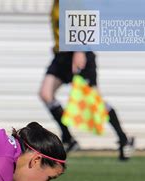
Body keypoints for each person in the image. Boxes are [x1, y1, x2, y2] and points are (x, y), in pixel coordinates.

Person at [39, 0, 134, 160]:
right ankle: (69, 139)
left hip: (78, 53)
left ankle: (125, 140)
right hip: (62, 56)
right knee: (45, 93)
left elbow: (85, 20)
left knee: (95, 102)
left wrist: (80, 50)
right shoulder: (56, 3)